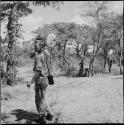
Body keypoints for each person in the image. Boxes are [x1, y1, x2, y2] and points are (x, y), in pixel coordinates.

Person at [27, 36, 53, 123]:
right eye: (34, 46)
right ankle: (49, 114)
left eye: (36, 46)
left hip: (40, 80)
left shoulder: (39, 57)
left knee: (38, 100)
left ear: (41, 47)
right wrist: (35, 50)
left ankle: (42, 118)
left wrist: (30, 82)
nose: (34, 47)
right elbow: (31, 55)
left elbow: (37, 72)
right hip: (45, 80)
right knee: (42, 99)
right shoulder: (45, 54)